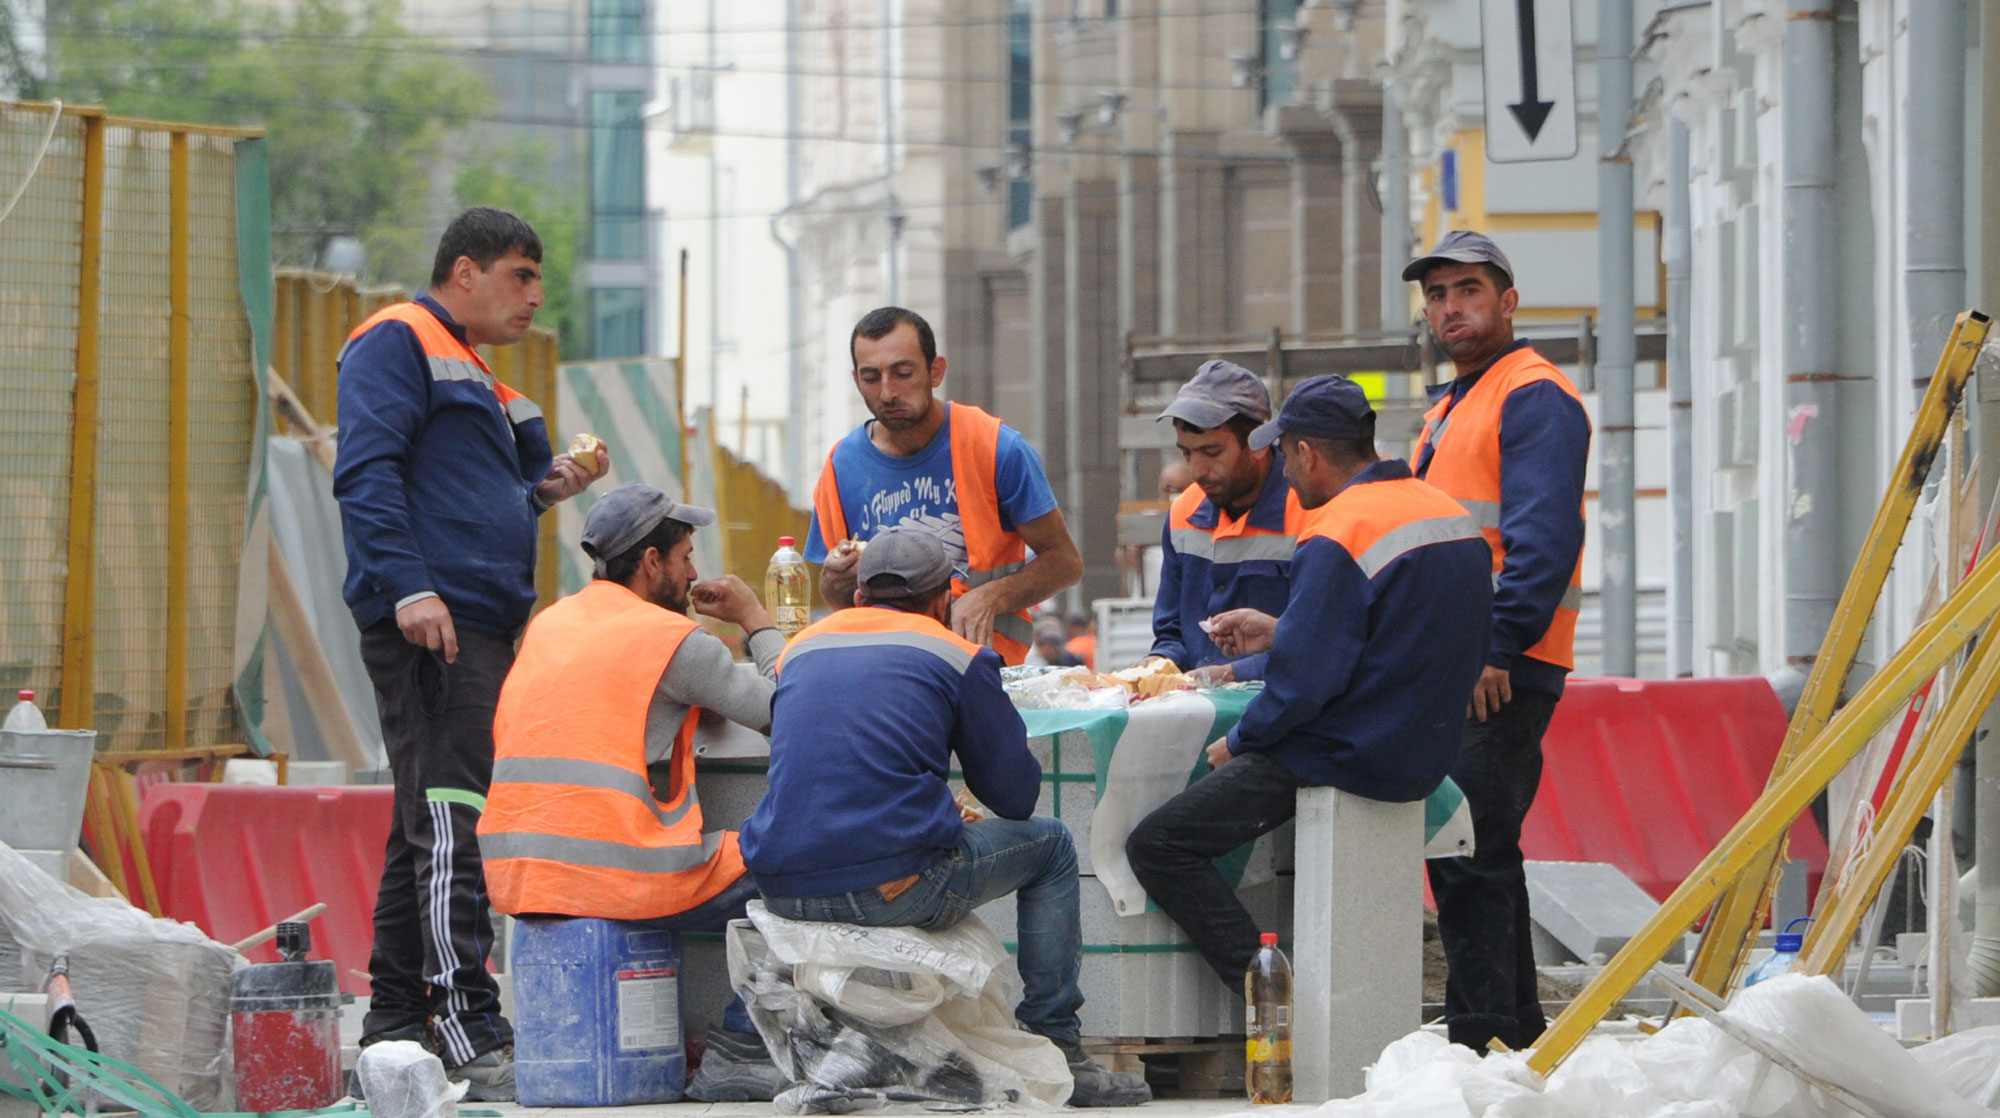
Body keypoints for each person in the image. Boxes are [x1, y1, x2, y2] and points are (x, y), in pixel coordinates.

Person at [333, 206, 608, 1099]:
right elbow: (366, 473)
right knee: (453, 817)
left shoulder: (476, 372)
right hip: (434, 623)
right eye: (521, 275)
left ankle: (397, 1020)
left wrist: (546, 488)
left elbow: (470, 499)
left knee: (424, 823)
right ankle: (467, 1024)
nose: (535, 296)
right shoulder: (397, 341)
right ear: (464, 271)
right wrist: (410, 589)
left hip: (469, 621)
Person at [739, 529, 1151, 1108]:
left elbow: (832, 768)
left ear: (858, 595)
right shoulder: (955, 653)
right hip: (889, 888)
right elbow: (1014, 799)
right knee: (1053, 846)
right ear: (946, 598)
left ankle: (839, 1060)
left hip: (779, 888)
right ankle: (1061, 1048)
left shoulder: (800, 648)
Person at [1124, 375, 1492, 991]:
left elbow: (1303, 686)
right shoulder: (1445, 513)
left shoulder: (1338, 528)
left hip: (1344, 752)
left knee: (1158, 844)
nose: (1285, 473)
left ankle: (1271, 995)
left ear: (1308, 453)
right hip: (1424, 753)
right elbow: (1390, 637)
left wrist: (1240, 742)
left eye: (1285, 454)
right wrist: (1282, 629)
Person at [478, 484, 785, 1102]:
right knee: (794, 856)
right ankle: (739, 1051)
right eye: (686, 556)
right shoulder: (670, 641)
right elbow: (789, 710)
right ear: (652, 564)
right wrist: (756, 619)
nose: (694, 571)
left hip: (523, 880)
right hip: (612, 878)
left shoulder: (549, 625)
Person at [1405, 230, 1591, 1053]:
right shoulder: (1453, 404)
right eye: (1439, 295)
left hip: (1499, 664)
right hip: (1463, 660)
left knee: (1467, 846)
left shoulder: (1531, 394)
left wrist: (1497, 648)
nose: (1452, 308)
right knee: (1483, 847)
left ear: (1508, 302)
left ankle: (1479, 1037)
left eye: (1468, 290)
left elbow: (1542, 541)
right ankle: (1510, 1031)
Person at [807, 307, 1082, 665]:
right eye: (871, 377)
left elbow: (1064, 562)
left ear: (936, 371)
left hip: (981, 666)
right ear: (856, 379)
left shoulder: (995, 447)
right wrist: (834, 577)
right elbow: (834, 593)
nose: (888, 392)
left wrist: (989, 597)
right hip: (887, 670)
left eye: (903, 373)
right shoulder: (840, 466)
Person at [1142, 360, 1304, 683]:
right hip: (1198, 713)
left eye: (1212, 452)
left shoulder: (1308, 511)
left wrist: (1230, 674)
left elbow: (1320, 645)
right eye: (1187, 454)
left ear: (1258, 441)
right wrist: (1156, 666)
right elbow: (1172, 632)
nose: (1197, 471)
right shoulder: (1183, 514)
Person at [1116, 461, 1196, 596]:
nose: (1171, 495)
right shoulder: (1145, 518)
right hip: (1148, 602)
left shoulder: (1201, 519)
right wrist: (1131, 553)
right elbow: (1122, 558)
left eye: (1179, 490)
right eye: (1167, 489)